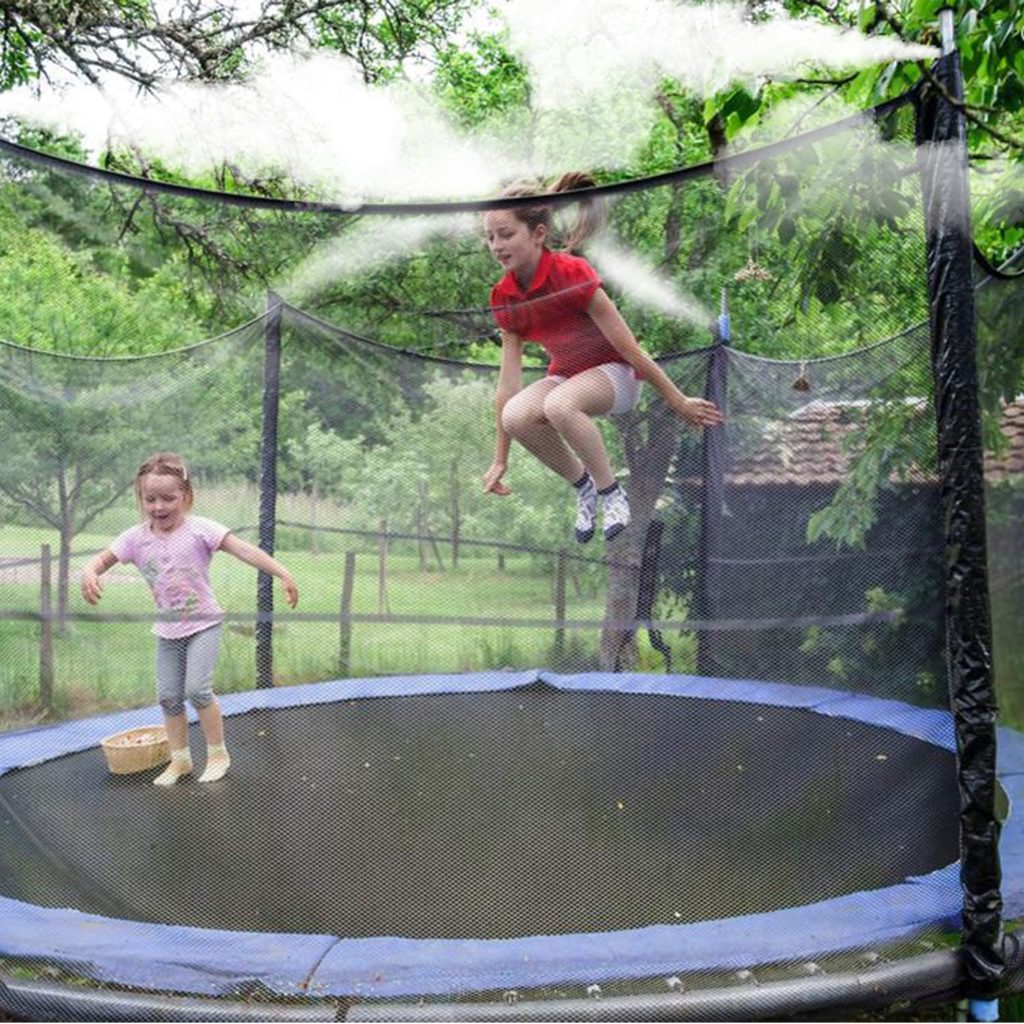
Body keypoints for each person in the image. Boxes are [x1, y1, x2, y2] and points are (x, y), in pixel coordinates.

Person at [482, 172, 724, 542]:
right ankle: (584, 486)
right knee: (515, 415)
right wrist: (501, 458)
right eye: (490, 237)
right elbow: (508, 386)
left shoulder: (571, 274)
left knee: (559, 405)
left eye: (507, 234)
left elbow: (628, 347)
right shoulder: (505, 297)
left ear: (539, 234)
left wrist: (677, 400)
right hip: (567, 376)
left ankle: (612, 492)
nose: (497, 245)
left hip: (617, 376)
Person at [81, 452, 298, 786]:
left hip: (204, 623)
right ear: (141, 499)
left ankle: (218, 754)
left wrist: (282, 572)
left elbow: (245, 550)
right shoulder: (135, 538)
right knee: (168, 696)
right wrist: (89, 571)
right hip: (168, 629)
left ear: (186, 496)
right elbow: (102, 560)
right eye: (150, 499)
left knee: (197, 690)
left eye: (168, 498)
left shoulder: (201, 530)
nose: (159, 507)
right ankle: (180, 760)